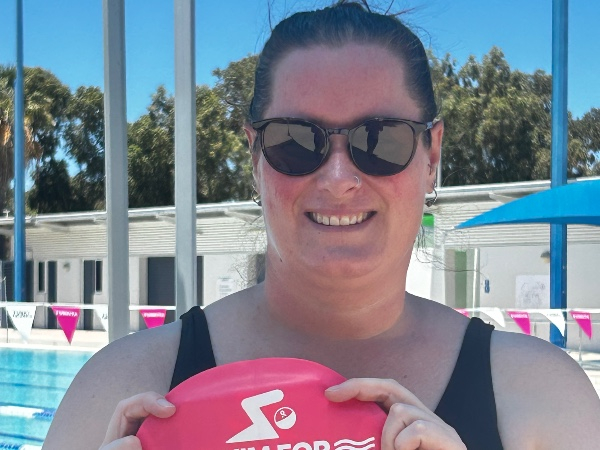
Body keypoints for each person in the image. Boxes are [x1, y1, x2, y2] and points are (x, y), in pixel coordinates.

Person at [43, 2, 600, 449]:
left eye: (380, 140)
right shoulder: (121, 385)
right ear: (255, 156)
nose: (338, 179)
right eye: (294, 141)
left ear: (431, 154)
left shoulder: (541, 396)